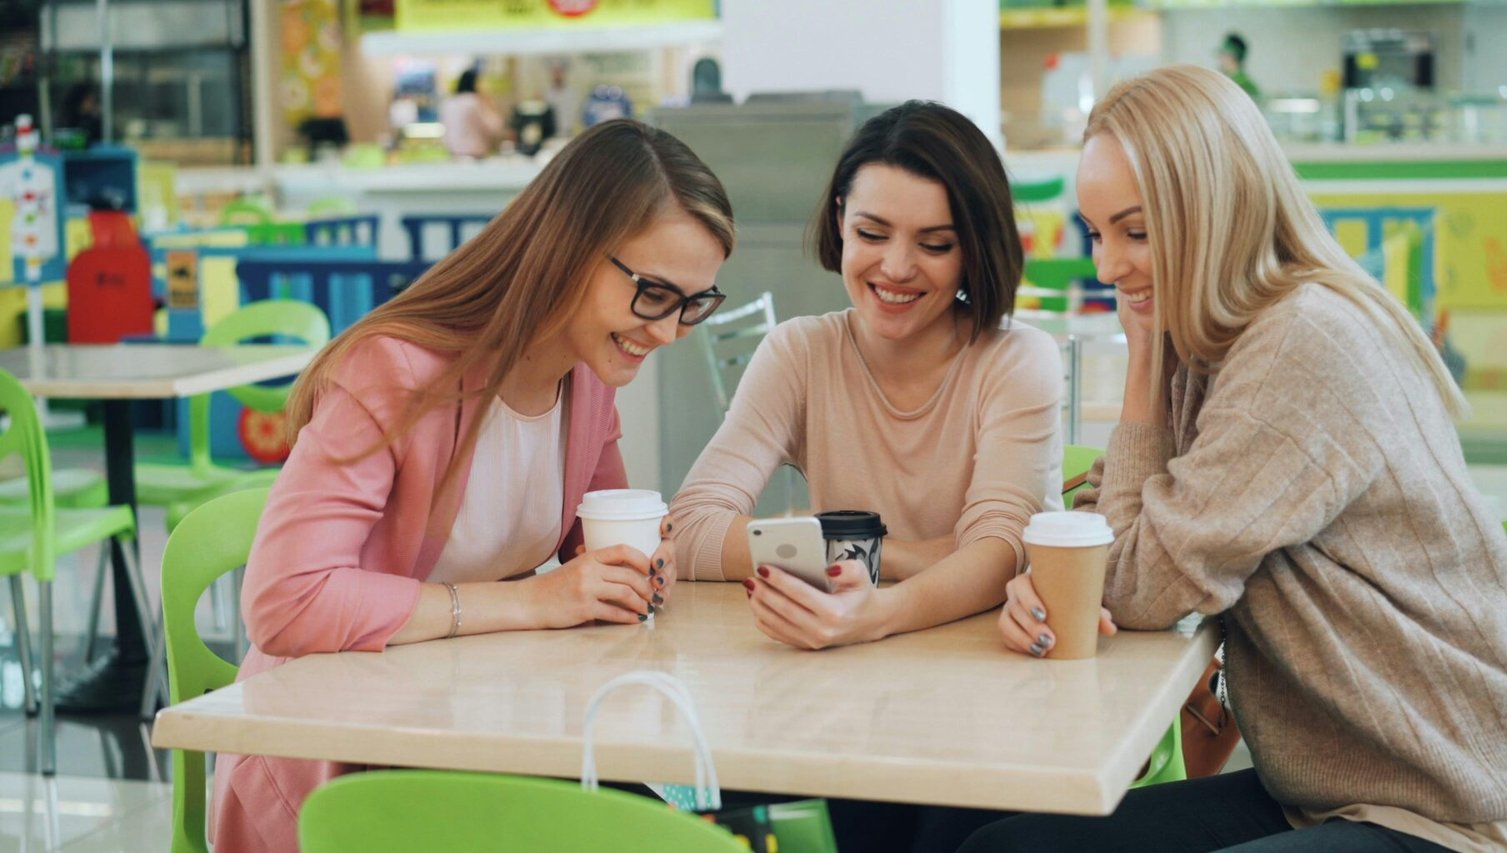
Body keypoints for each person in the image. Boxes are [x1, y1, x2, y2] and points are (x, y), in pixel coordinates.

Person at [964, 65, 1507, 852]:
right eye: (1096, 233)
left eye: (1137, 230)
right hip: (1336, 791)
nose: (1108, 265)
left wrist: (1144, 365)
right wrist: (1053, 579)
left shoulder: (1299, 344)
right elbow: (1113, 530)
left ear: (1213, 213)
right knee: (1004, 849)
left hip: (1456, 812)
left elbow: (1141, 582)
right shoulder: (1223, 336)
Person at [211, 119, 735, 851]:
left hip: (486, 729)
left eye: (693, 303)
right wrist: (530, 599)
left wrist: (639, 566)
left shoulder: (587, 381)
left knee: (683, 826)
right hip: (347, 758)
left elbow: (593, 541)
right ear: (571, 248)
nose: (672, 330)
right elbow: (284, 601)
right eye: (653, 293)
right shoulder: (394, 373)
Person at [671, 100, 1063, 650]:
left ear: (973, 248)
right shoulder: (800, 352)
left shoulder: (1017, 360)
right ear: (840, 221)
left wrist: (875, 604)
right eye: (873, 234)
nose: (897, 268)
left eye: (934, 244)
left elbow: (999, 550)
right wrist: (898, 552)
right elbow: (686, 532)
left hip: (989, 666)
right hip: (846, 673)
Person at [439, 68, 505, 158]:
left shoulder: (449, 102)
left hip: (454, 153)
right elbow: (494, 127)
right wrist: (490, 104)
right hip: (474, 154)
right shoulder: (474, 101)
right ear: (475, 83)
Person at [1217, 32, 1261, 100]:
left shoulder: (1243, 85)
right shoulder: (1226, 81)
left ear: (1231, 56)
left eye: (1222, 53)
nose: (1220, 58)